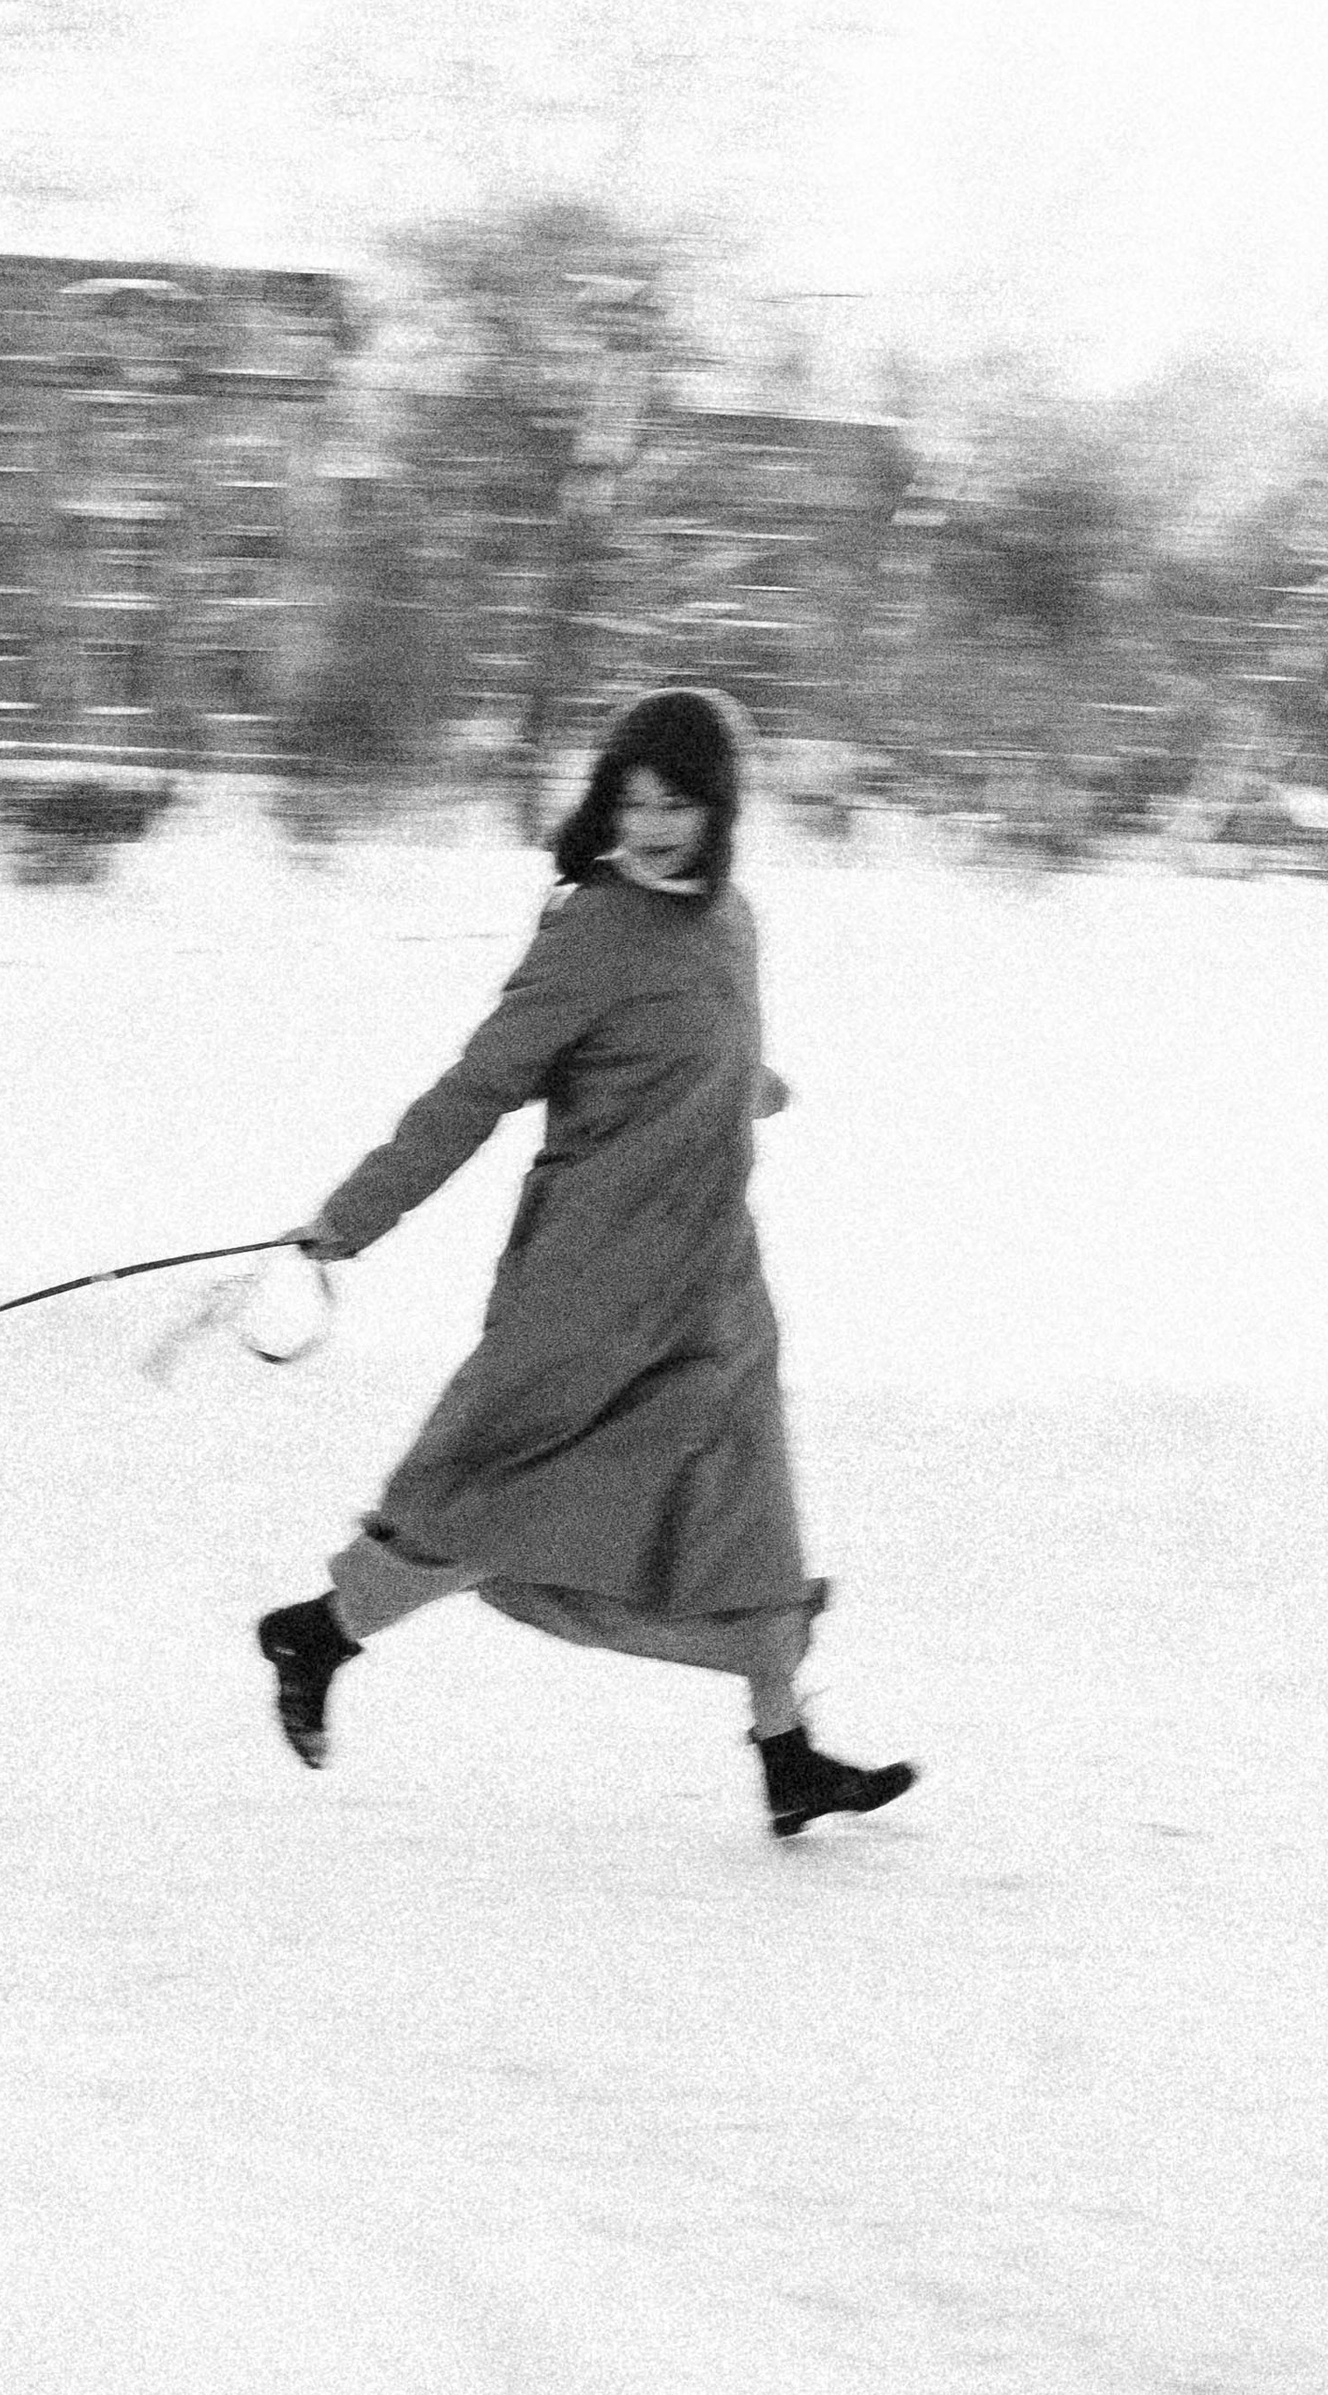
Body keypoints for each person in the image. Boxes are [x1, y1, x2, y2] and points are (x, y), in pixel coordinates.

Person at [256, 686, 915, 1842]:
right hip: (591, 1285)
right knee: (497, 1492)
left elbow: (688, 1051)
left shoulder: (732, 920)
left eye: (679, 803)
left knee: (746, 1510)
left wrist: (745, 1088)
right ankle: (320, 1629)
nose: (654, 825)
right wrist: (353, 1216)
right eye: (634, 799)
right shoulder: (592, 929)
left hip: (710, 1275)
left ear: (721, 811)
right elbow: (477, 1090)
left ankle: (785, 1752)